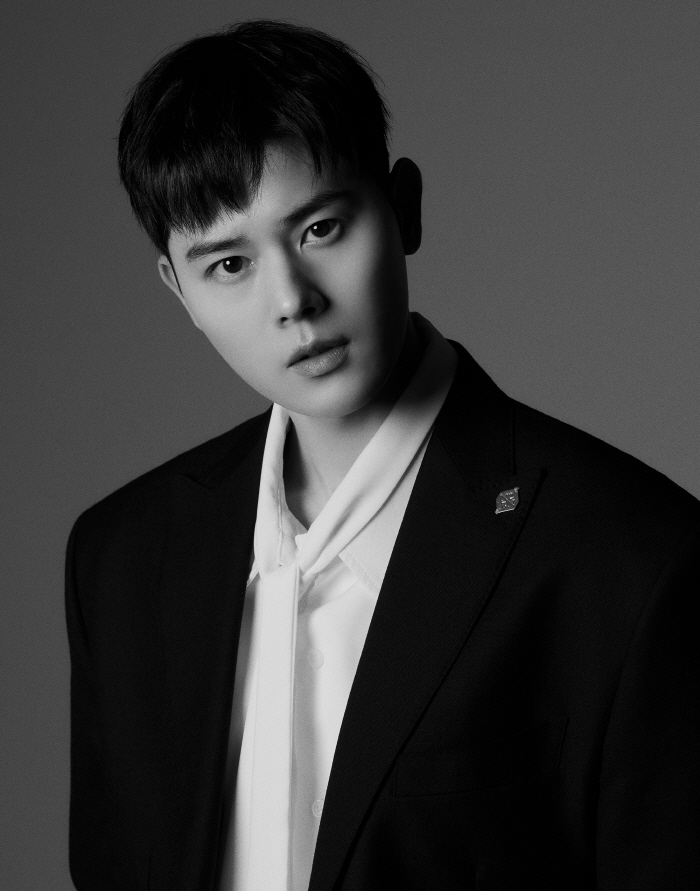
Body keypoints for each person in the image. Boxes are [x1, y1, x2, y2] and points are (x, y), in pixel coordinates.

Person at [65, 19, 700, 891]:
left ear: (404, 207)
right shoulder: (122, 559)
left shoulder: (632, 557)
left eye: (321, 228)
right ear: (179, 288)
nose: (292, 300)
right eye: (229, 265)